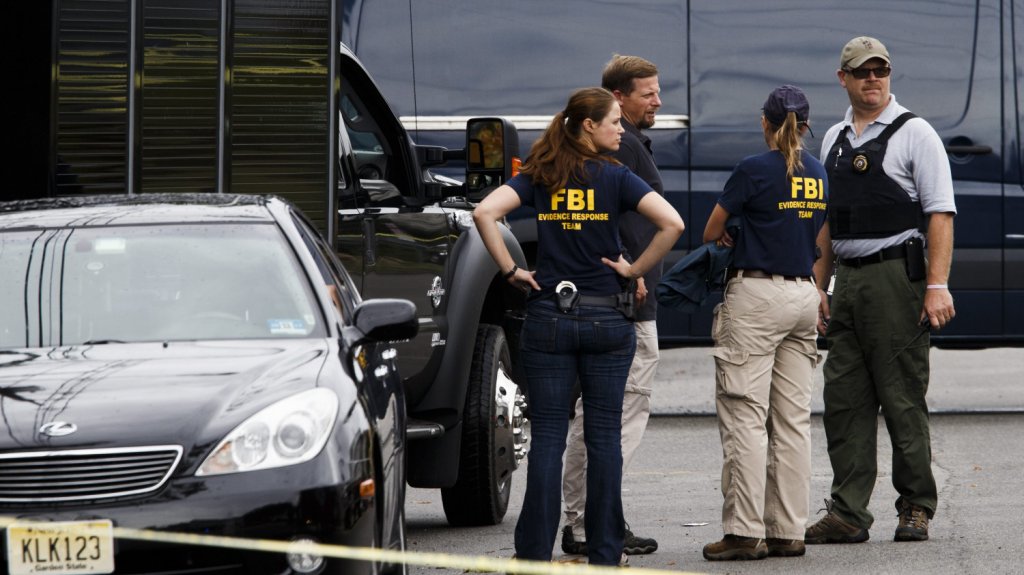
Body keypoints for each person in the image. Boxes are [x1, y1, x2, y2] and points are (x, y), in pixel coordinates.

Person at [473, 87, 684, 566]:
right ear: (588, 125)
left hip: (549, 316)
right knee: (605, 437)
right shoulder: (617, 177)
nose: (619, 129)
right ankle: (606, 552)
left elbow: (484, 213)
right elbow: (672, 224)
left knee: (548, 435)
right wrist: (633, 271)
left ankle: (532, 552)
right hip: (607, 318)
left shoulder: (541, 172)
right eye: (613, 121)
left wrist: (511, 270)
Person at [805, 36, 957, 545]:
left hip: (897, 278)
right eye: (862, 72)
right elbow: (825, 222)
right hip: (847, 279)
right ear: (842, 78)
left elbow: (939, 213)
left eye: (880, 70)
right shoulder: (833, 139)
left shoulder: (916, 134)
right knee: (843, 398)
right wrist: (819, 286)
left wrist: (936, 285)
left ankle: (916, 506)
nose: (873, 79)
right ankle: (848, 512)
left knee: (901, 398)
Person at [700, 85, 828, 561]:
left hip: (757, 295)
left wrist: (737, 235)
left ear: (764, 122)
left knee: (745, 415)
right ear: (807, 124)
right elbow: (812, 232)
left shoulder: (752, 169)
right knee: (793, 421)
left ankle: (743, 531)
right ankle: (787, 531)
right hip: (801, 293)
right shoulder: (817, 172)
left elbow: (712, 230)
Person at [560, 54, 664, 558]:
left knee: (600, 415)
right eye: (648, 93)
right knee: (612, 417)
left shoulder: (628, 145)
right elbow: (613, 219)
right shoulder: (621, 150)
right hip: (626, 304)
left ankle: (596, 519)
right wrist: (631, 266)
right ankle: (592, 523)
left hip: (612, 299)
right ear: (617, 98)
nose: (658, 101)